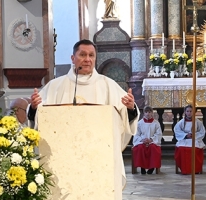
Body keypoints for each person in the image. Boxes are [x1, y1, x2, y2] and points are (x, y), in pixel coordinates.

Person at [28, 39, 140, 185]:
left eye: (91, 55)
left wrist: (130, 108)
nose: (87, 59)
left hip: (98, 155)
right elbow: (39, 118)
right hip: (64, 155)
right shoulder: (56, 86)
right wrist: (35, 108)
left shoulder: (107, 85)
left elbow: (125, 117)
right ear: (73, 58)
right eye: (82, 55)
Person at [174, 104, 206, 174]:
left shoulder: (198, 122)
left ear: (193, 112)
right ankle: (184, 169)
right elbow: (177, 131)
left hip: (195, 139)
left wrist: (193, 135)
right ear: (185, 112)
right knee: (182, 149)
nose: (189, 113)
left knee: (195, 150)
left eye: (191, 111)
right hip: (184, 139)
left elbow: (202, 131)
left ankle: (196, 169)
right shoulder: (181, 122)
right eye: (187, 111)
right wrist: (185, 135)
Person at [132, 106, 162, 174]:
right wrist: (142, 140)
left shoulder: (156, 123)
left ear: (152, 113)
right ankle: (142, 167)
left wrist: (151, 140)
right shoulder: (139, 123)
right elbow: (136, 134)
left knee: (153, 148)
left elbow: (158, 134)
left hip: (152, 142)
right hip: (142, 141)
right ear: (143, 113)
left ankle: (152, 168)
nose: (148, 114)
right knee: (140, 148)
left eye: (149, 112)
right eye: (146, 112)